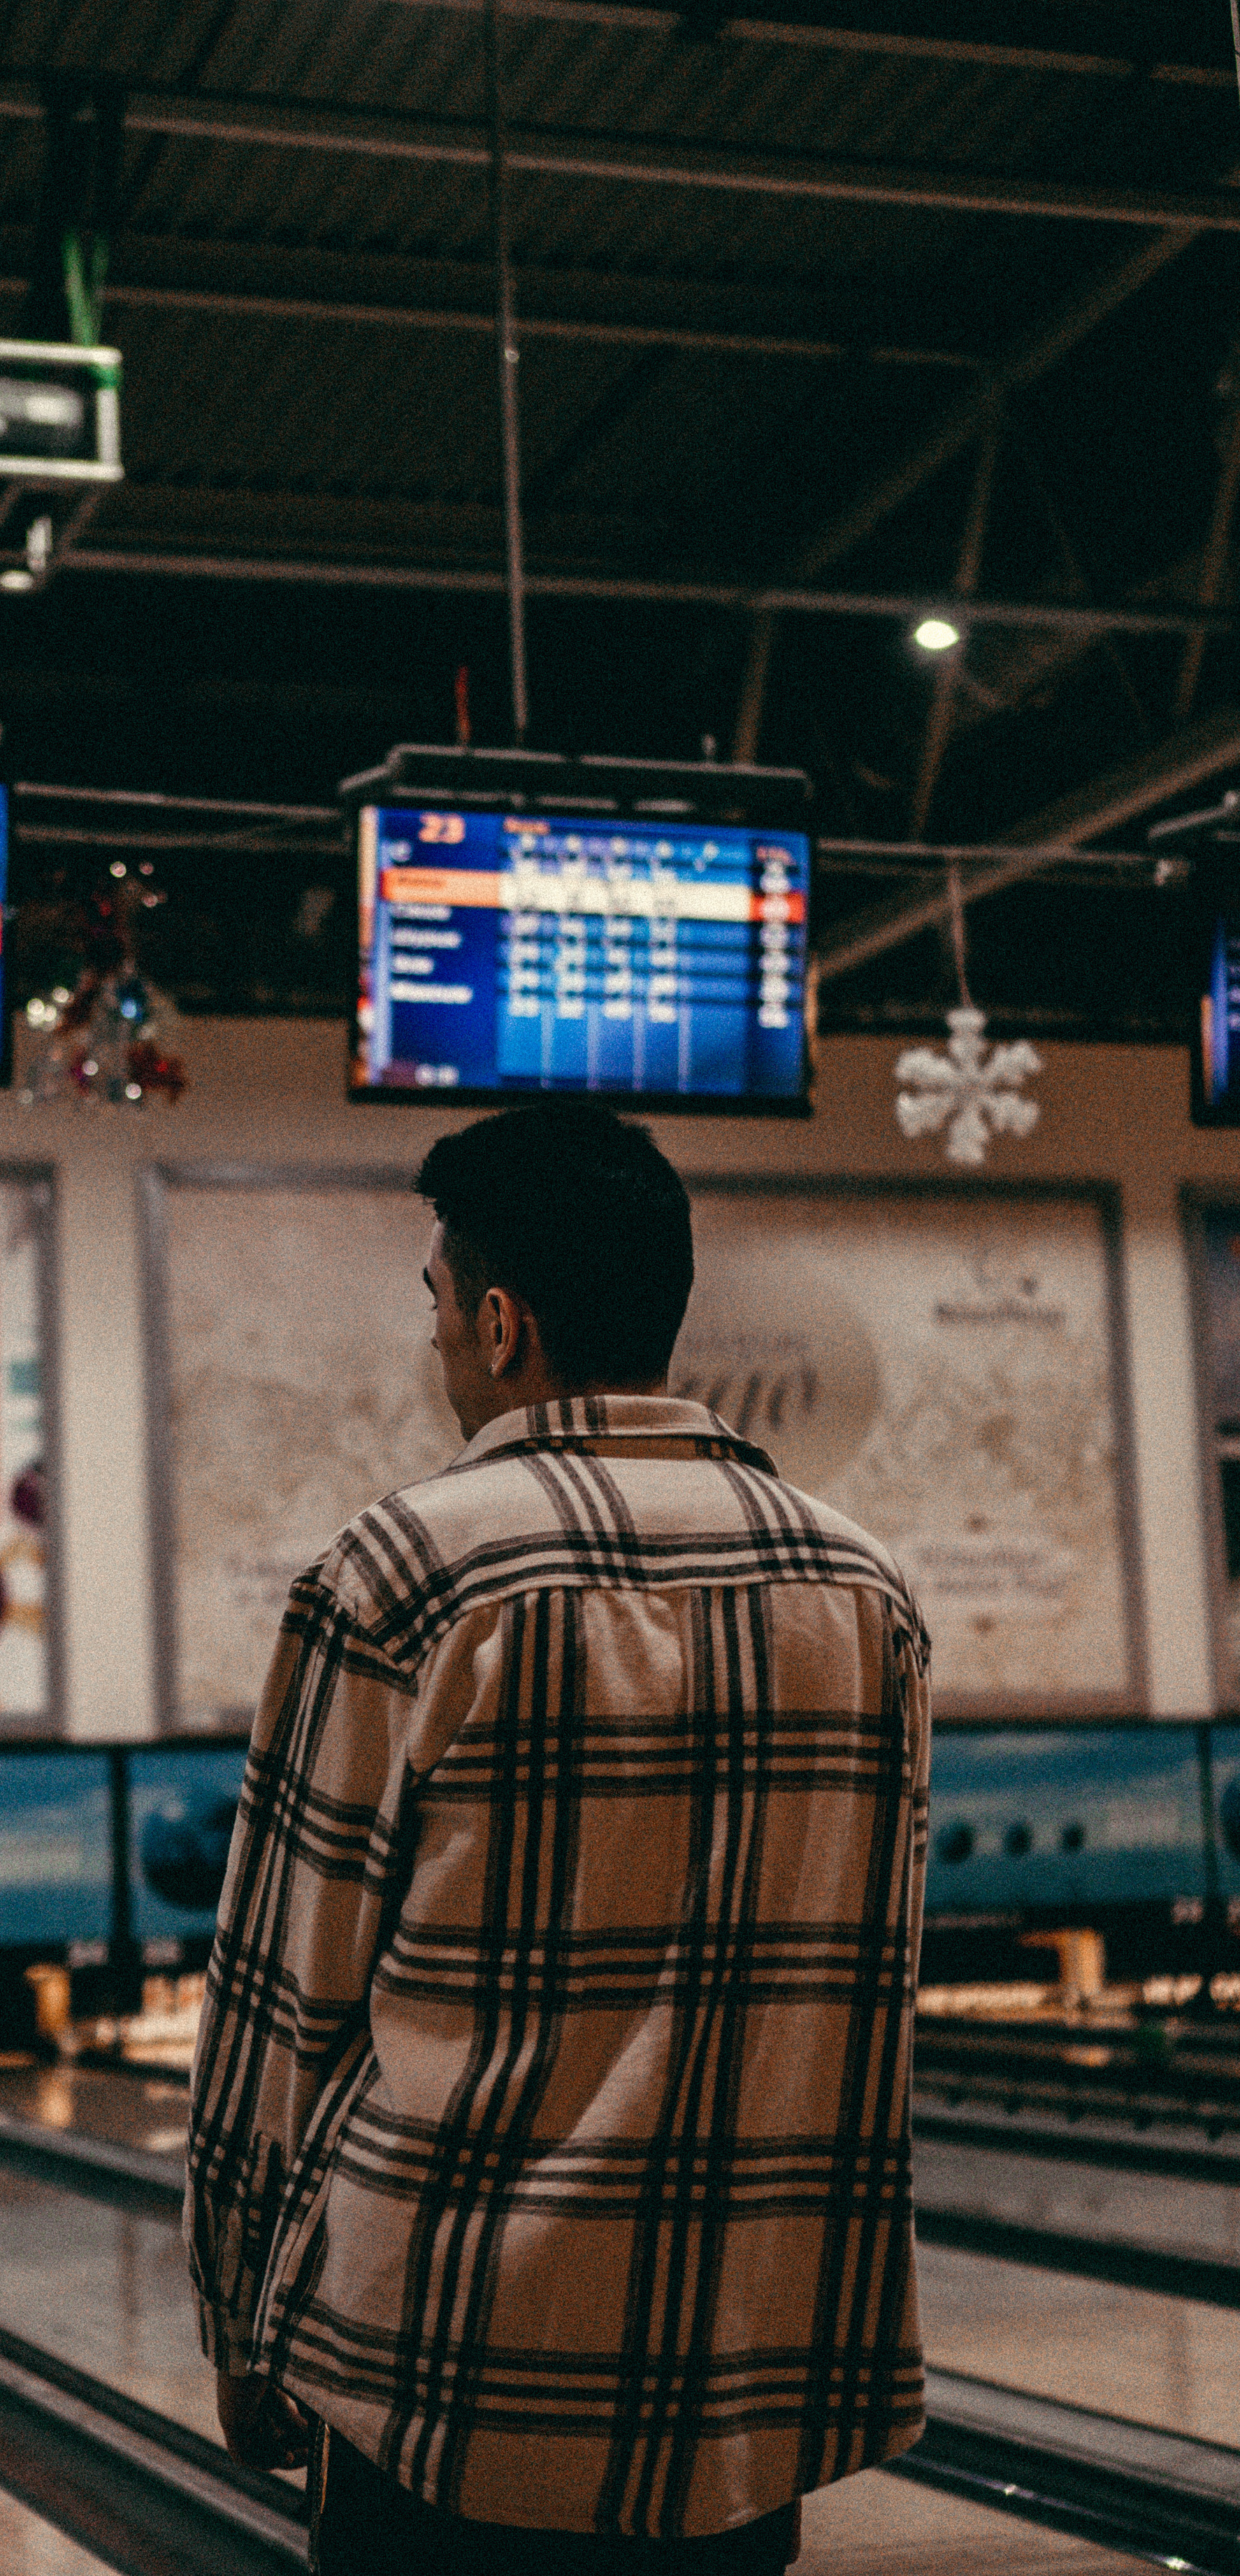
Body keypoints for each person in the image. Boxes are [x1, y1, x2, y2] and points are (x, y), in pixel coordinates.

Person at [186, 1102, 930, 2574]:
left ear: (501, 1322)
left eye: (438, 1312)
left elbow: (282, 2004)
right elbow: (871, 1992)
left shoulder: (401, 1573)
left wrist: (242, 2320)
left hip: (442, 2390)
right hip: (737, 2397)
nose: (440, 1347)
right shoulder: (866, 1591)